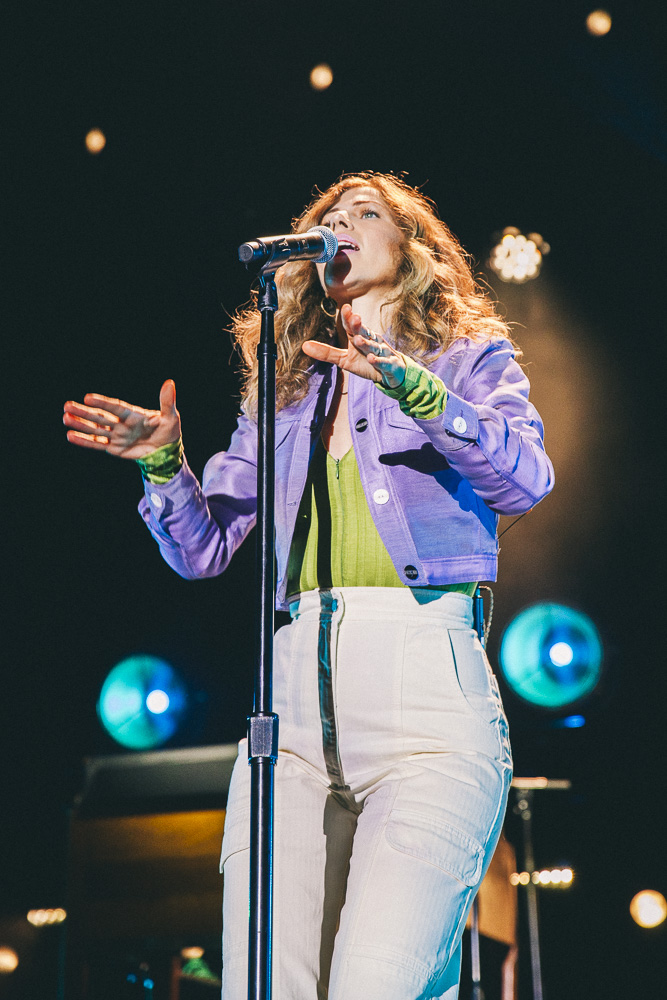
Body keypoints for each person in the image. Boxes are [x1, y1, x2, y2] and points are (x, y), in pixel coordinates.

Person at [63, 172, 554, 1000]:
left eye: (365, 214)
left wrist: (416, 387)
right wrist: (160, 463)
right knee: (265, 985)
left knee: (376, 982)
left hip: (426, 706)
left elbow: (525, 477)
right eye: (327, 217)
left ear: (411, 250)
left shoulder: (469, 356)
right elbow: (203, 548)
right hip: (289, 715)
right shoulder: (283, 390)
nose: (340, 224)